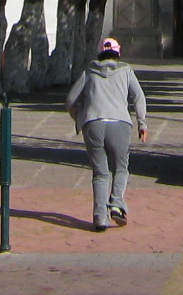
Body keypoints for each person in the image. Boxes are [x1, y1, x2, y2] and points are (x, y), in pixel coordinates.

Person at [64, 37, 146, 230]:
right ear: (118, 53)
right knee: (120, 168)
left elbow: (70, 100)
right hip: (120, 124)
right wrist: (142, 123)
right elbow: (139, 97)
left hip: (93, 124)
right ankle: (117, 204)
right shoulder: (126, 72)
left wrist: (80, 117)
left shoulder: (89, 72)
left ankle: (100, 217)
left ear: (99, 53)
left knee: (100, 173)